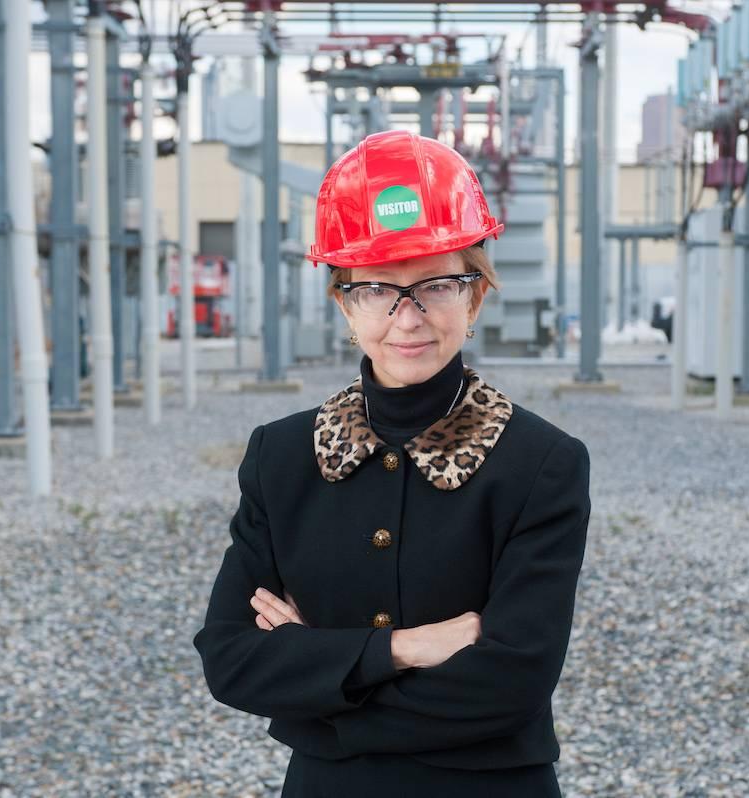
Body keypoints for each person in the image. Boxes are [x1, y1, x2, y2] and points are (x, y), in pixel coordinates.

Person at [193, 130, 592, 797]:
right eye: (378, 289)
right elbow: (231, 660)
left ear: (477, 297)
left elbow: (513, 682)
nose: (408, 318)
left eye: (437, 284)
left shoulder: (539, 464)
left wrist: (319, 685)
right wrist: (403, 650)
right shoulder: (283, 458)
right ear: (345, 304)